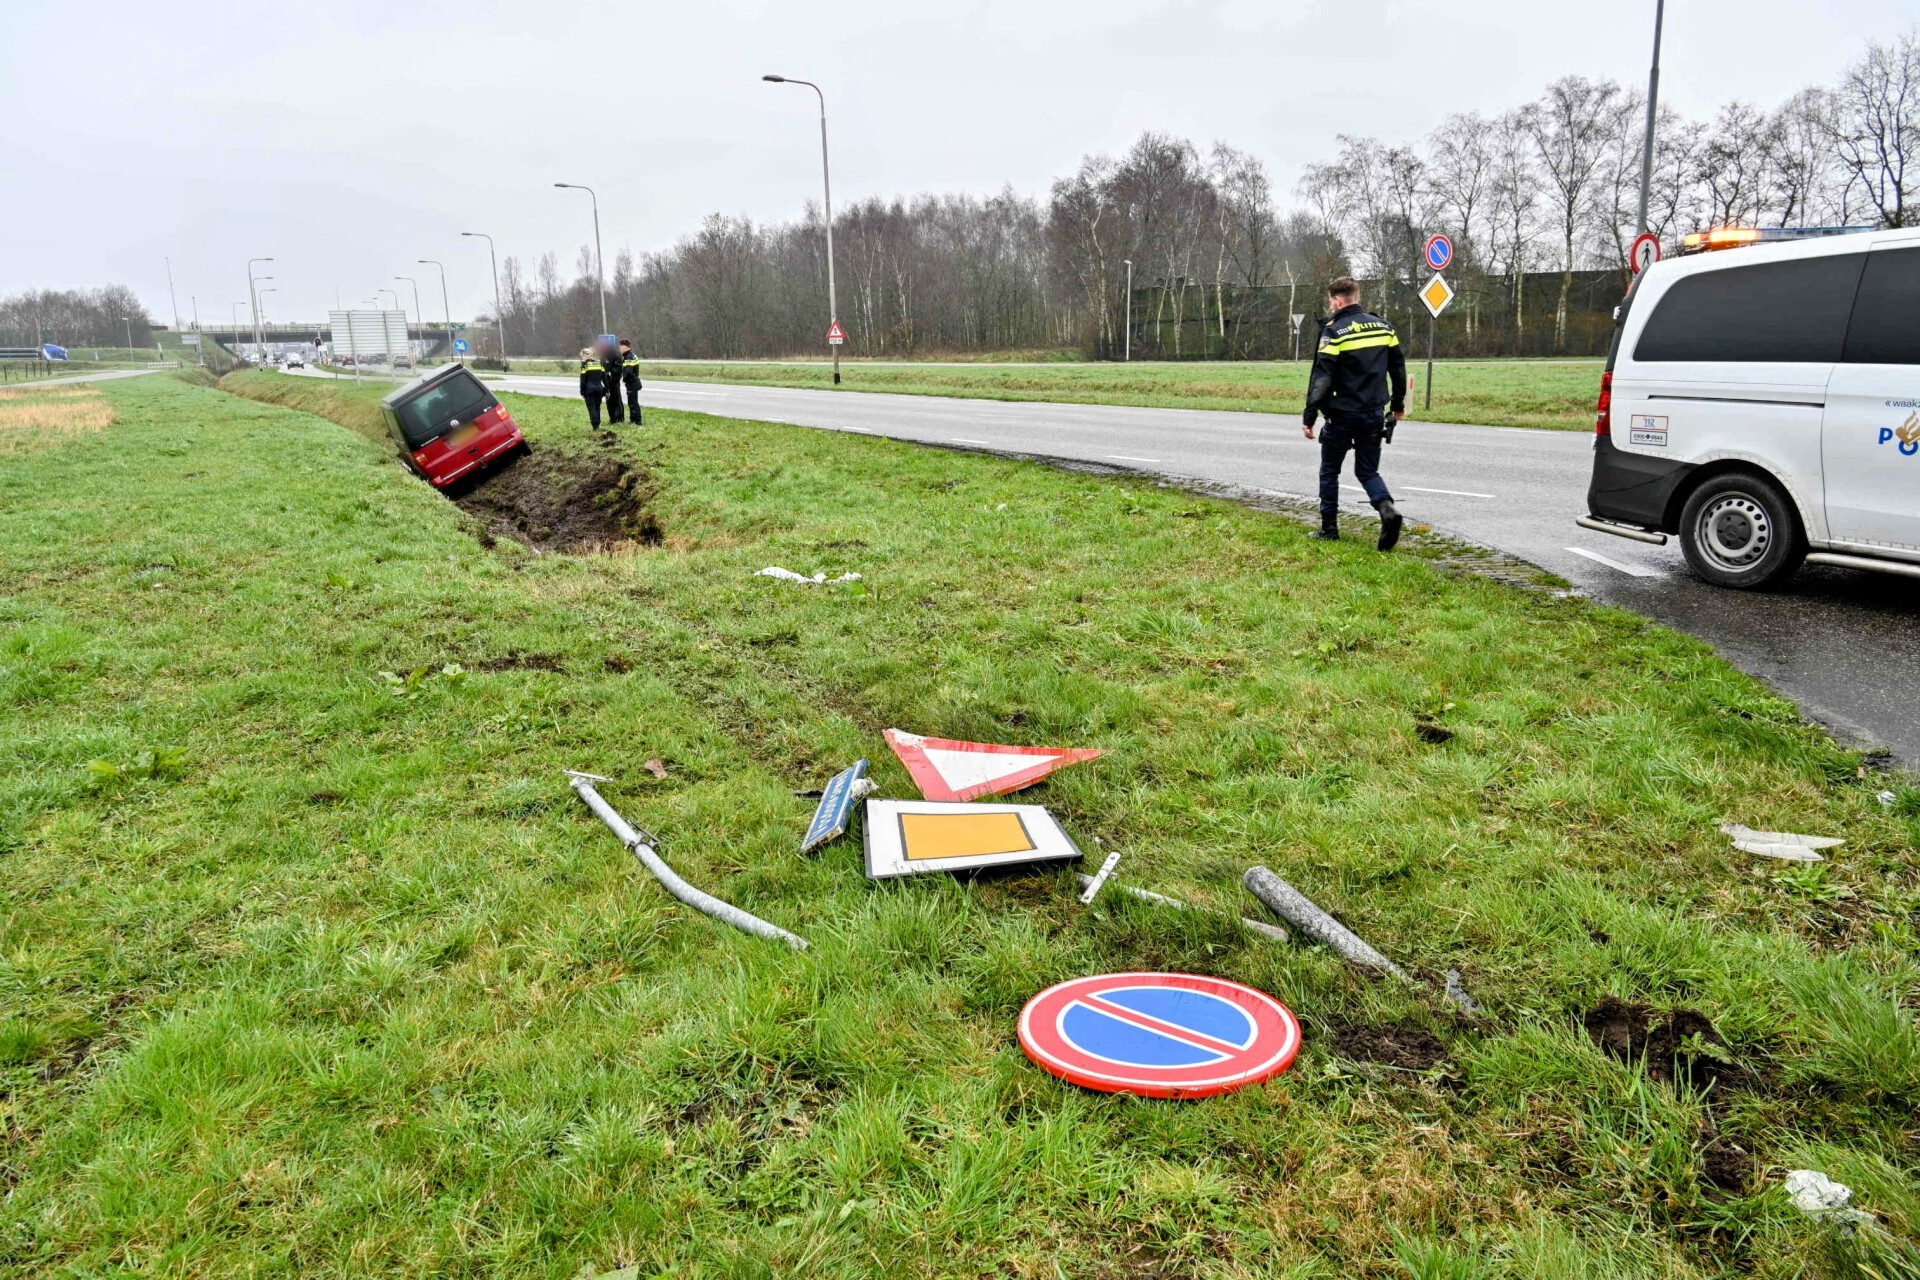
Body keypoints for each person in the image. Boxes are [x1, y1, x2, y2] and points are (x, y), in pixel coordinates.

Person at [1302, 276, 1407, 550]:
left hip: (1341, 414)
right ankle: (1387, 510)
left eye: (1331, 301)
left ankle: (1329, 529)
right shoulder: (1383, 326)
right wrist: (1398, 405)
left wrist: (1309, 416)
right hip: (1373, 413)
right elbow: (1397, 368)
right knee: (1367, 471)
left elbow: (1322, 377)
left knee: (1329, 471)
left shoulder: (1334, 330)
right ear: (1355, 296)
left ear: (1337, 300)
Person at [579, 346, 608, 429]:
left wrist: (582, 391)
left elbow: (583, 380)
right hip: (599, 389)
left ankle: (595, 425)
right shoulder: (599, 364)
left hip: (589, 389)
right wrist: (607, 389)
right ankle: (598, 424)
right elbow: (605, 378)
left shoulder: (585, 366)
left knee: (591, 408)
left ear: (584, 355)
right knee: (597, 407)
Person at [616, 339, 643, 425]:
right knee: (632, 402)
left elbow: (628, 372)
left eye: (620, 347)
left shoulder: (628, 357)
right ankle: (633, 420)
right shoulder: (631, 355)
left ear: (625, 347)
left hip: (632, 382)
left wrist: (624, 380)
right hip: (634, 381)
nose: (619, 349)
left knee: (633, 403)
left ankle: (637, 421)